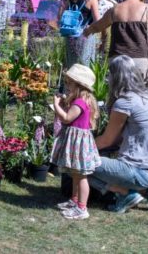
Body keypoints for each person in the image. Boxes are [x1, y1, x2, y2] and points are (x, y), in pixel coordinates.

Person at [91, 55, 148, 213]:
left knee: (77, 163)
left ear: (115, 77)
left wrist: (81, 146)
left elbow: (107, 140)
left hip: (137, 171)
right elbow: (121, 137)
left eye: (109, 75)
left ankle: (126, 193)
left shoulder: (125, 102)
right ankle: (147, 191)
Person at [83, 0, 148, 110]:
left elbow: (97, 26)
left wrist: (87, 31)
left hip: (118, 60)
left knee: (119, 100)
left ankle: (117, 127)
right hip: (143, 60)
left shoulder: (115, 9)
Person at [52, 64, 101, 220]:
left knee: (80, 176)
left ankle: (82, 208)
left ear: (79, 85)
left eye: (69, 83)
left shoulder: (80, 102)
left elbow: (66, 118)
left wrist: (56, 106)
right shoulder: (82, 100)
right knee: (76, 173)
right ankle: (75, 201)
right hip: (78, 141)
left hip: (78, 142)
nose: (67, 86)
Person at [62, 0, 101, 66]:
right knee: (84, 64)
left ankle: (70, 80)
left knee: (71, 63)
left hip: (70, 33)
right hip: (85, 35)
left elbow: (63, 12)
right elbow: (98, 21)